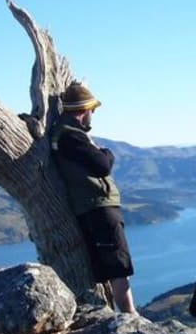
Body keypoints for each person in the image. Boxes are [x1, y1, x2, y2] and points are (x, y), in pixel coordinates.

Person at [49, 79, 137, 314]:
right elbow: (101, 165)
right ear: (84, 110)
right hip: (99, 208)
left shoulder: (65, 134)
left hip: (90, 208)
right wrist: (106, 152)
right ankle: (130, 317)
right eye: (92, 111)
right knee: (119, 268)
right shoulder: (71, 136)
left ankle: (113, 315)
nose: (93, 115)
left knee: (107, 267)